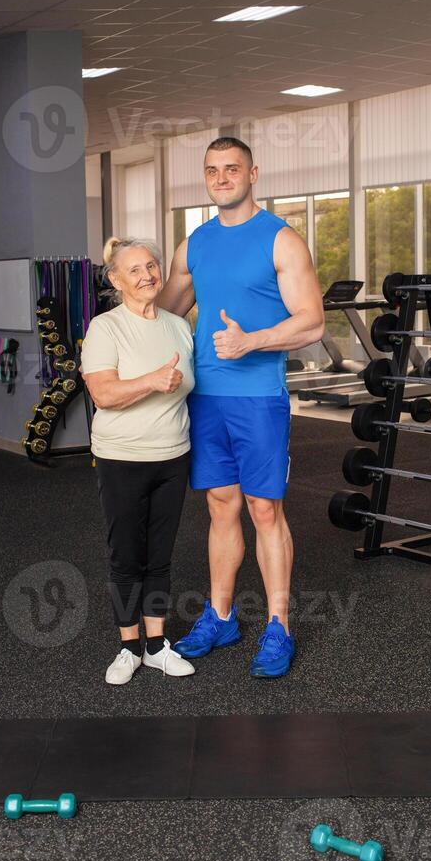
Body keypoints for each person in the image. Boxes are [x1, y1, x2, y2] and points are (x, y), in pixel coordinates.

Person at [158, 136, 325, 678]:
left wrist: (251, 341)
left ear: (254, 173)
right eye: (212, 170)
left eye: (232, 168)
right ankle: (221, 616)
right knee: (220, 506)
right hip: (206, 398)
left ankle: (278, 626)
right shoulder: (195, 245)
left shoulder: (281, 240)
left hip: (258, 398)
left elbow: (312, 321)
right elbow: (162, 315)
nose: (221, 177)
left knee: (263, 509)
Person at [81, 237, 196, 685]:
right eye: (135, 270)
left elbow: (192, 389)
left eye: (152, 266)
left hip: (173, 457)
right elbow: (104, 395)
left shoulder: (177, 325)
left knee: (160, 557)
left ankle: (156, 645)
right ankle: (128, 647)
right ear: (115, 280)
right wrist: (151, 380)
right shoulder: (105, 328)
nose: (147, 275)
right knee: (127, 556)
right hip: (122, 458)